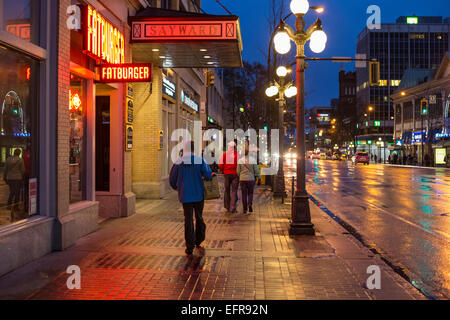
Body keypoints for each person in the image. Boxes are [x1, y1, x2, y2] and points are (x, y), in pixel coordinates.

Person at [170, 141, 213, 256]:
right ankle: (199, 239)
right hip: (198, 194)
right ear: (194, 149)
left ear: (184, 149)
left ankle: (189, 246)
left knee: (188, 219)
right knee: (199, 217)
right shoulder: (199, 160)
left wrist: (176, 187)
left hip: (185, 195)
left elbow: (172, 178)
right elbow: (208, 175)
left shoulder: (179, 161)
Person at [237, 147, 261, 215]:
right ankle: (250, 203)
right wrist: (259, 177)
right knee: (250, 193)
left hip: (242, 179)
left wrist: (240, 176)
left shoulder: (240, 161)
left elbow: (238, 171)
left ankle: (244, 209)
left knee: (244, 194)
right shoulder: (253, 160)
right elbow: (256, 170)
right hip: (251, 179)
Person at [219, 141, 240, 213]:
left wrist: (223, 171)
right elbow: (239, 165)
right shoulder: (237, 155)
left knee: (227, 191)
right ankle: (233, 207)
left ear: (229, 147)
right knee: (234, 191)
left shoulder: (225, 154)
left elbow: (221, 164)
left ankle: (228, 207)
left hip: (227, 174)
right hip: (235, 174)